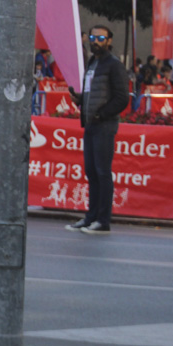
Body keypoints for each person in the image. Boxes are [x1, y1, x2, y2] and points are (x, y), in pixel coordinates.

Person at [67, 26, 128, 235]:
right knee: (91, 172)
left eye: (101, 38)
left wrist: (102, 114)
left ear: (109, 41)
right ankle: (91, 217)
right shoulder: (92, 63)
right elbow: (92, 94)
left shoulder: (114, 65)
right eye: (93, 37)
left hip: (104, 125)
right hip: (91, 124)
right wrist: (80, 101)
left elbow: (122, 98)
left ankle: (103, 220)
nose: (96, 41)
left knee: (102, 172)